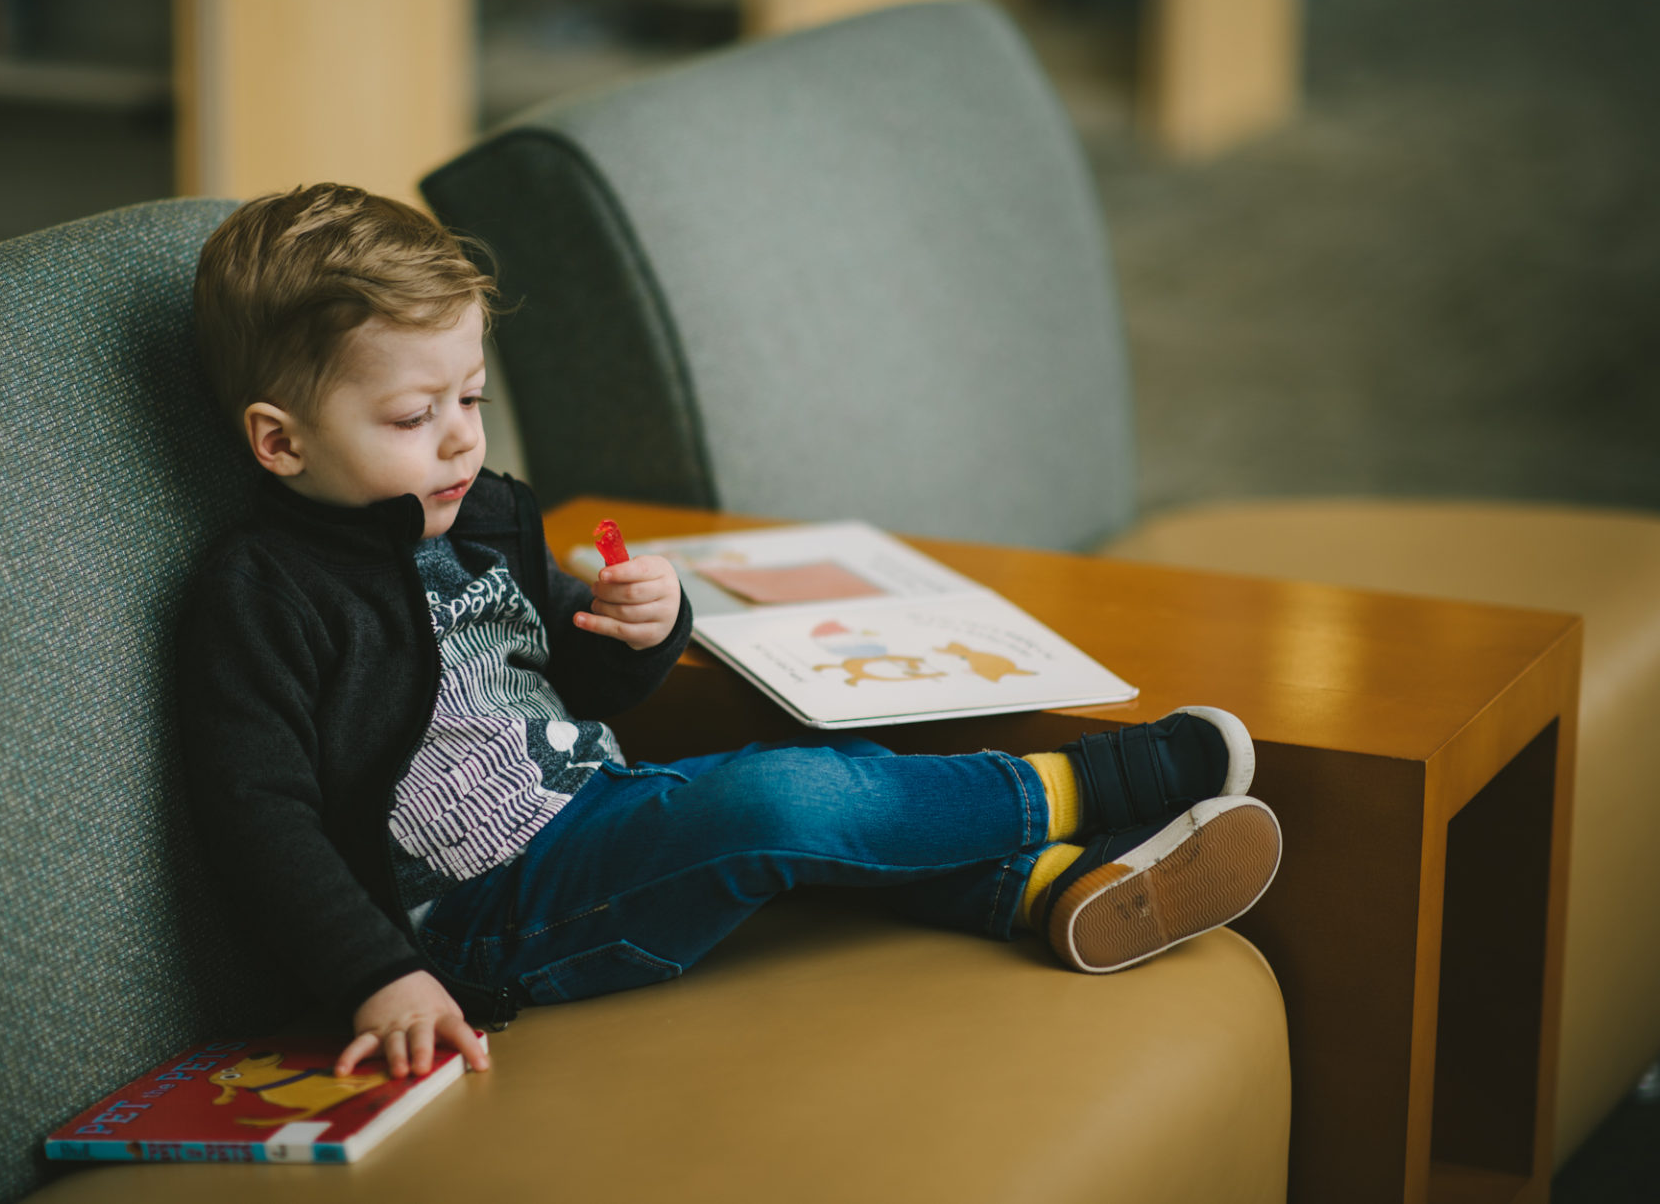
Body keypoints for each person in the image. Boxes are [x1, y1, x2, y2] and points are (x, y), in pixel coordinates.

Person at [176, 182, 1283, 1087]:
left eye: (470, 398)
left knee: (794, 831)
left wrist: (645, 626)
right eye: (416, 418)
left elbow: (583, 677)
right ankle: (1087, 783)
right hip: (483, 917)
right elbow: (257, 814)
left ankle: (1049, 890)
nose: (461, 442)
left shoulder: (491, 515)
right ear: (279, 443)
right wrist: (380, 973)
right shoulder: (261, 594)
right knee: (777, 802)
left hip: (593, 813)